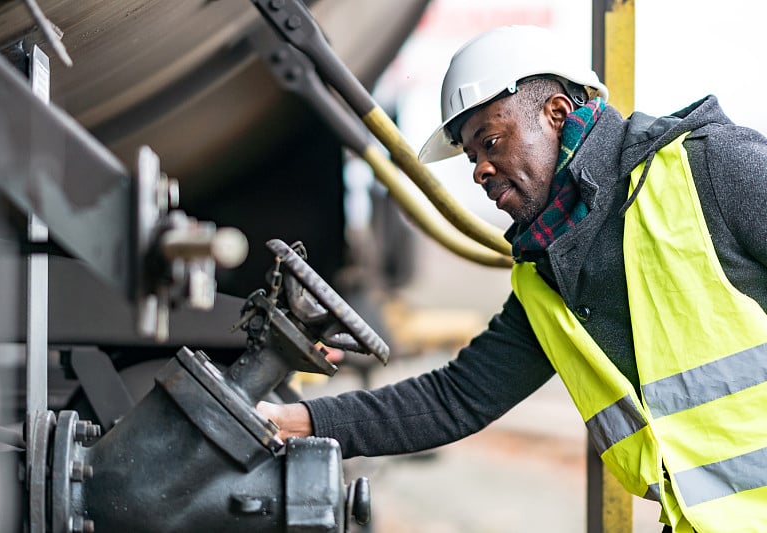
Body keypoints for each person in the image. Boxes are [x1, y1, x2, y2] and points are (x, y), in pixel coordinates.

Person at [258, 25, 767, 532]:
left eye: (491, 142)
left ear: (557, 114)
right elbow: (456, 398)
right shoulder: (548, 276)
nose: (479, 169)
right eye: (472, 155)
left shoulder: (707, 169)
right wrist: (296, 421)